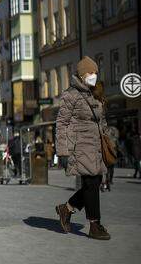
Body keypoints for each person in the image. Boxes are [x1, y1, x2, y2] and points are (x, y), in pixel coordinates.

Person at [55, 56, 111, 240]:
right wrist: (62, 151)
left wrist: (108, 140)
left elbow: (101, 121)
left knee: (94, 182)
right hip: (80, 144)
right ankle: (95, 225)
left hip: (96, 144)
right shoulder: (71, 95)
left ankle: (67, 208)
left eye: (95, 72)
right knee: (91, 183)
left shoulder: (96, 92)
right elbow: (61, 123)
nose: (94, 76)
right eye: (90, 73)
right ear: (81, 74)